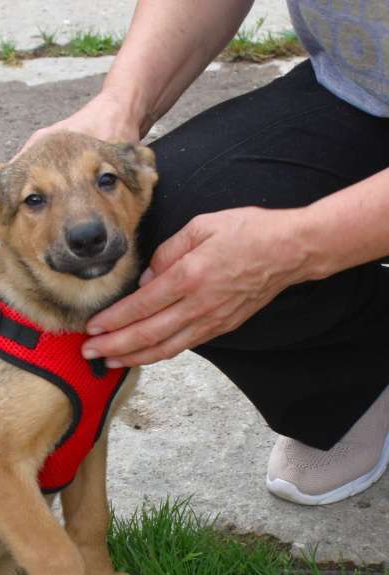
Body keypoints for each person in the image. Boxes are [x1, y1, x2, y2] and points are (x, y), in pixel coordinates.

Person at [21, 0, 389, 506]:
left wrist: (300, 245)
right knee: (163, 227)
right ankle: (359, 378)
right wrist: (121, 104)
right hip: (368, 93)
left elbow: (298, 245)